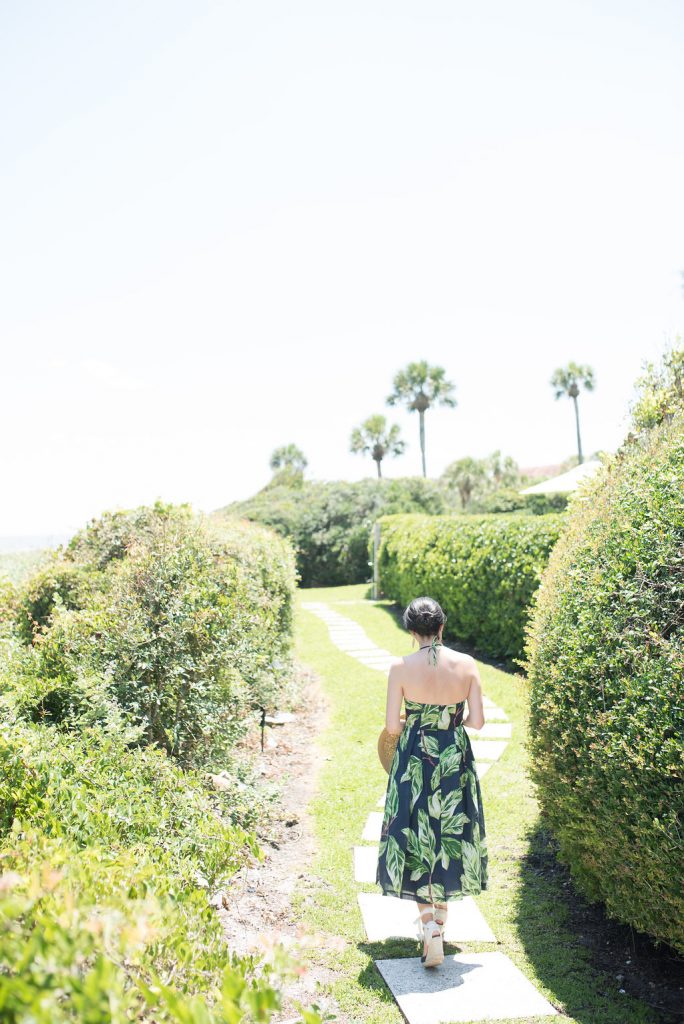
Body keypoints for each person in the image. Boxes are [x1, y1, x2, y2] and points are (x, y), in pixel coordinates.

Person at [376, 596, 488, 968]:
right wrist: (448, 722)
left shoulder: (400, 667)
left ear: (411, 631)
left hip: (414, 757)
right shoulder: (468, 664)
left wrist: (415, 720)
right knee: (450, 831)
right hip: (453, 756)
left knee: (417, 830)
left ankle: (428, 924)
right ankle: (439, 921)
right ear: (442, 626)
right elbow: (477, 722)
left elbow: (393, 726)